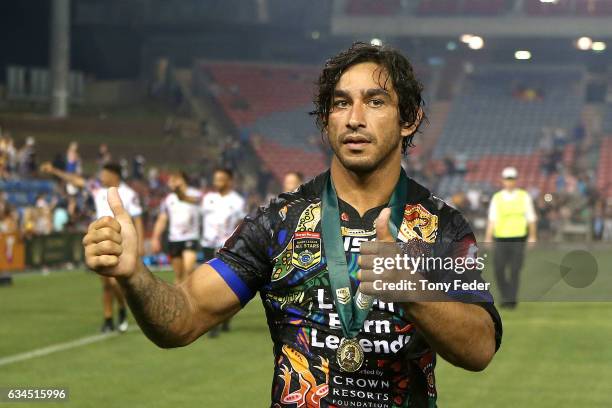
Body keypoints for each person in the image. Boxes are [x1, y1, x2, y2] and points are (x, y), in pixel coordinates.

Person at [83, 42, 501, 407]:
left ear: (408, 119)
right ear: (325, 120)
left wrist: (414, 293)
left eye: (375, 102)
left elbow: (480, 348)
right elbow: (183, 318)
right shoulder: (279, 222)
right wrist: (133, 276)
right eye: (340, 103)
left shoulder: (442, 225)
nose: (354, 118)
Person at [42, 161, 144, 333]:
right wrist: (54, 170)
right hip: (101, 240)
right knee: (105, 284)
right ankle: (108, 319)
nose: (101, 177)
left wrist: (139, 244)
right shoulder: (97, 189)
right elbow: (76, 181)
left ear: (114, 175)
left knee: (114, 284)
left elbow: (138, 219)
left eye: (104, 174)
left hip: (120, 241)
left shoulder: (128, 194)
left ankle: (121, 308)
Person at [199, 168, 245, 336]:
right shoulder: (208, 199)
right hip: (207, 244)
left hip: (226, 247)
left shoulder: (237, 201)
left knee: (223, 285)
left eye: (220, 179)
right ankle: (215, 321)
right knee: (208, 284)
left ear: (229, 181)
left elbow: (241, 224)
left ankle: (222, 319)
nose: (216, 182)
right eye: (215, 179)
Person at [485, 166, 537, 309]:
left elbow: (531, 218)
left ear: (516, 180)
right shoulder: (497, 198)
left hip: (518, 238)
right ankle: (507, 295)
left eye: (512, 179)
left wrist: (532, 236)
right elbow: (492, 219)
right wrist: (488, 236)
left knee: (515, 270)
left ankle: (510, 300)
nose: (509, 182)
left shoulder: (524, 196)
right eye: (507, 179)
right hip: (501, 238)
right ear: (502, 180)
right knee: (499, 269)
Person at [151, 170, 202, 283]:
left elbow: (189, 199)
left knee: (188, 269)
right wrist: (155, 238)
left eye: (176, 179)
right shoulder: (168, 199)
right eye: (172, 180)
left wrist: (179, 191)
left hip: (190, 237)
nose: (173, 182)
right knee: (179, 276)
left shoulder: (195, 194)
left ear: (184, 180)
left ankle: (193, 295)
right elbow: (162, 219)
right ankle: (180, 297)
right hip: (174, 239)